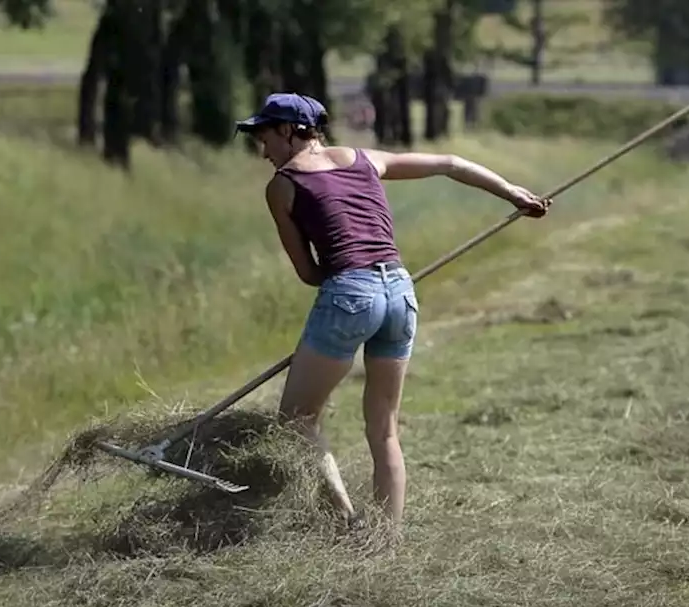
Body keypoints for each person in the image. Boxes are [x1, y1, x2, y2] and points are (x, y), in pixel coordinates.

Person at [233, 92, 551, 527]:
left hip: (349, 293)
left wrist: (345, 275)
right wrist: (513, 194)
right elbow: (451, 163)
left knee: (295, 421)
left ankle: (347, 525)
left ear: (289, 131)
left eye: (264, 136)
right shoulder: (365, 159)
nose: (262, 150)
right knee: (384, 430)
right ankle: (385, 541)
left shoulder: (283, 185)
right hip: (400, 291)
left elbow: (309, 272)